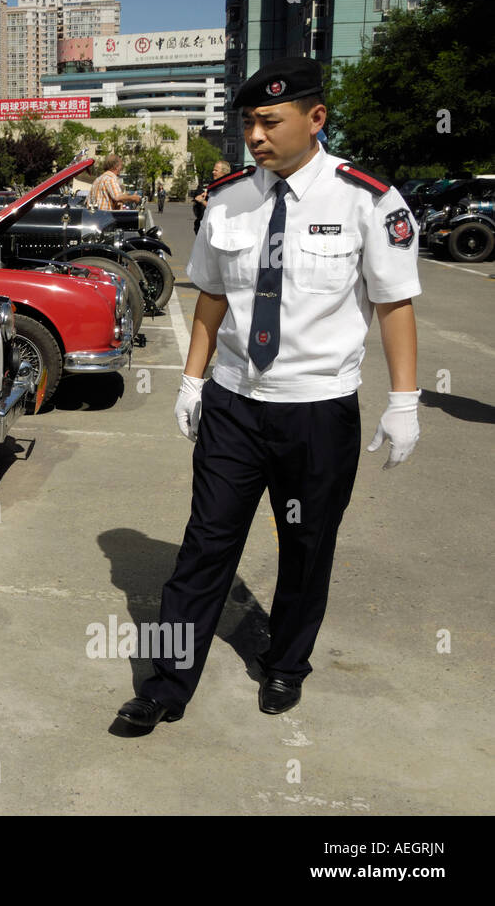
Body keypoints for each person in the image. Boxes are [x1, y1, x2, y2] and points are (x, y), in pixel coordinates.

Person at [114, 56, 421, 732]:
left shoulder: (367, 200)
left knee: (306, 547)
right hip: (235, 404)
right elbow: (212, 301)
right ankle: (166, 683)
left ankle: (286, 663)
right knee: (204, 546)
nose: (254, 135)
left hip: (318, 410)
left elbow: (395, 304)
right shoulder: (227, 200)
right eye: (248, 120)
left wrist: (405, 401)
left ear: (316, 119)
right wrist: (192, 380)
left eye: (269, 121)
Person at [192, 159, 231, 234]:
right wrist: (207, 192)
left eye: (216, 170)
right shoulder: (216, 185)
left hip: (217, 230)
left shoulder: (226, 188)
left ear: (224, 172)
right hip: (204, 226)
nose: (213, 172)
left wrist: (202, 201)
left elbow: (218, 209)